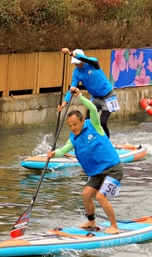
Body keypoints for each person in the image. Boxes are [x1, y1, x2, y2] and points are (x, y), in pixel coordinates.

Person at [48, 87, 123, 234]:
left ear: (83, 121)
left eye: (75, 124)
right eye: (70, 125)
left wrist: (80, 97)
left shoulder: (94, 125)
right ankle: (91, 220)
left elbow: (94, 110)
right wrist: (53, 154)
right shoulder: (73, 138)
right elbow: (63, 151)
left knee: (101, 197)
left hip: (113, 168)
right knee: (86, 195)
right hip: (97, 172)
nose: (73, 127)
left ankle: (114, 226)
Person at [58, 48, 118, 138]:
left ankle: (107, 143)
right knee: (88, 121)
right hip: (95, 98)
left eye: (77, 62)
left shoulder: (93, 63)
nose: (76, 65)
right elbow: (72, 89)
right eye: (74, 63)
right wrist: (63, 103)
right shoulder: (76, 73)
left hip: (109, 96)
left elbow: (89, 59)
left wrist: (71, 54)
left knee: (102, 122)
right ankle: (90, 141)